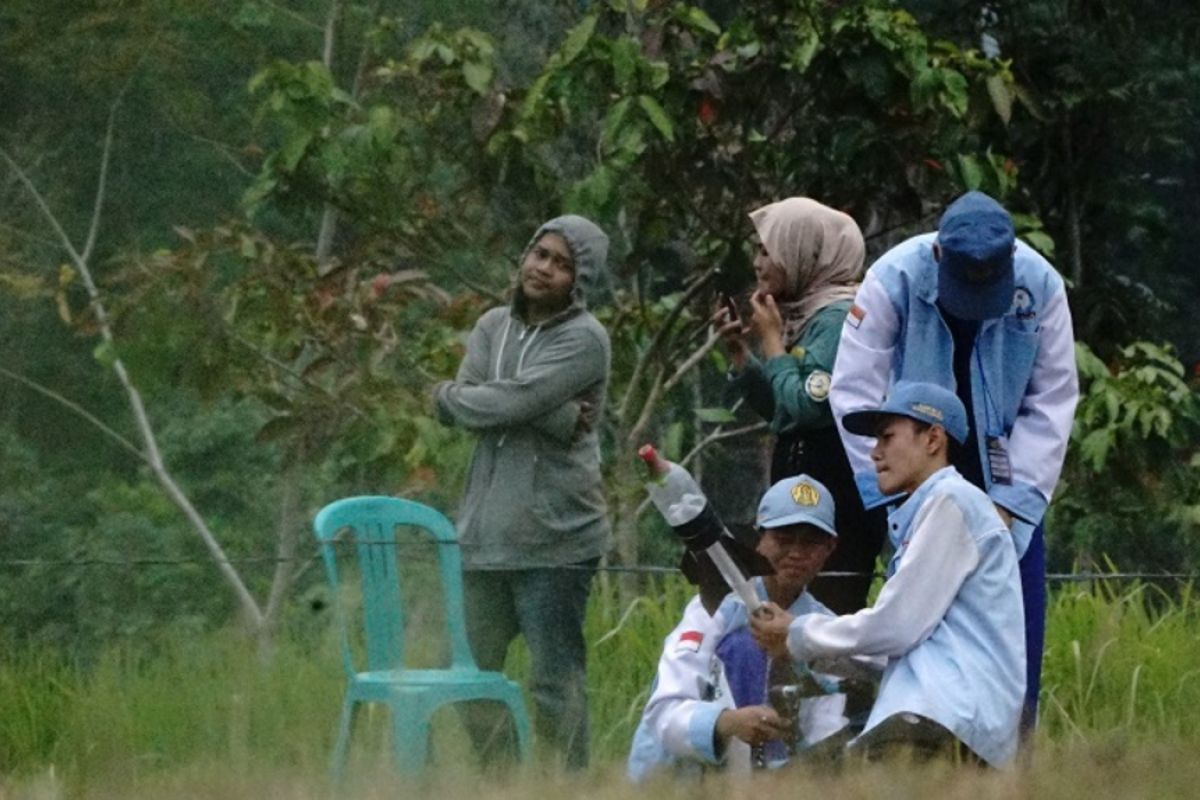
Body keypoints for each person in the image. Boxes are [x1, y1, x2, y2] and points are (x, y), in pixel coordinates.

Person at [828, 191, 1078, 731]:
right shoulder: (892, 277)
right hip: (916, 485)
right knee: (913, 632)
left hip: (1006, 492)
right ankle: (914, 756)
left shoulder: (1042, 286)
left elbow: (1052, 401)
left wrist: (1011, 509)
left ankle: (1014, 769)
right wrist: (894, 501)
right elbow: (854, 392)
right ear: (940, 258)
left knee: (1016, 648)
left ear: (1011, 262)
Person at [751, 382, 1025, 768]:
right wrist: (811, 651)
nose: (875, 452)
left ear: (933, 439)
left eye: (887, 436)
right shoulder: (933, 511)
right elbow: (896, 649)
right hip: (942, 720)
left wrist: (797, 633)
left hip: (941, 719)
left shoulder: (952, 502)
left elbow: (895, 626)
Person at [433, 214, 611, 769]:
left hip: (556, 538)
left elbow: (502, 402)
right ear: (525, 255)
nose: (545, 270)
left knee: (554, 684)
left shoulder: (586, 340)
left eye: (562, 264)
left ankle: (571, 786)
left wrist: (451, 398)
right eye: (541, 254)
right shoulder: (490, 326)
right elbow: (485, 404)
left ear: (577, 283)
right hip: (484, 535)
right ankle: (505, 783)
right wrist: (554, 414)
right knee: (469, 675)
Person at [627, 475, 861, 782]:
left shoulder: (822, 626)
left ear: (830, 547)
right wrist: (726, 723)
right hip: (678, 777)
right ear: (759, 538)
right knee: (744, 648)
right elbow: (663, 714)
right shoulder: (714, 607)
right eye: (784, 538)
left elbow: (824, 724)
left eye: (810, 542)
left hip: (778, 777)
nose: (796, 552)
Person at [715, 197, 886, 615]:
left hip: (834, 511)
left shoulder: (839, 318)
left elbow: (808, 408)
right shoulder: (806, 316)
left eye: (768, 250)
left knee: (826, 628)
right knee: (788, 626)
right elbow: (783, 413)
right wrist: (743, 355)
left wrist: (773, 343)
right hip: (804, 504)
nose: (758, 262)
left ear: (804, 251)